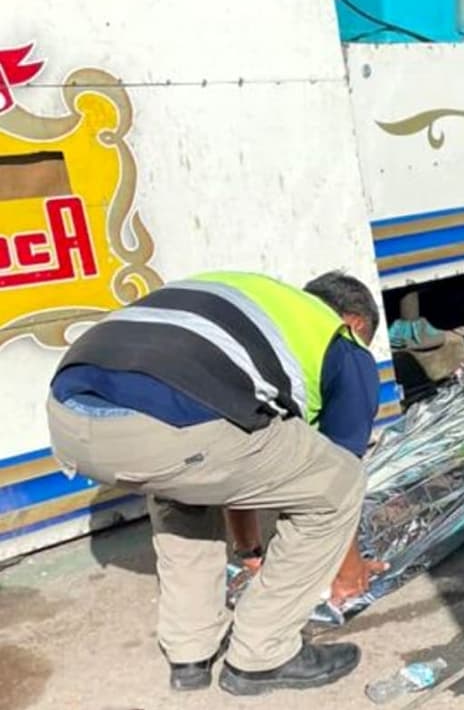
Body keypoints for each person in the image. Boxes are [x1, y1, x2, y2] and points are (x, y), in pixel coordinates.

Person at [46, 270, 383, 696]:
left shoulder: (257, 308)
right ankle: (263, 654)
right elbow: (337, 474)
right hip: (170, 423)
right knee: (338, 483)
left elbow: (241, 470)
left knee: (185, 487)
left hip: (70, 414)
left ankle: (191, 651)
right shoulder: (341, 343)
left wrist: (250, 550)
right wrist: (349, 572)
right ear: (354, 322)